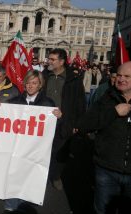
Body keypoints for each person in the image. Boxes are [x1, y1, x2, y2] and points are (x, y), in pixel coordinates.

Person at [76, 61, 131, 214]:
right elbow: (84, 124)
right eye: (119, 75)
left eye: (127, 76)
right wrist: (114, 113)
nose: (121, 79)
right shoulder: (106, 98)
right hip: (106, 169)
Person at [1, 70, 62, 214]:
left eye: (34, 83)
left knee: (29, 175)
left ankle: (23, 204)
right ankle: (10, 205)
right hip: (17, 147)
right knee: (14, 174)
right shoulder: (15, 101)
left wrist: (59, 118)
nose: (30, 86)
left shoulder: (48, 103)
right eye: (28, 82)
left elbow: (54, 129)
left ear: (40, 85)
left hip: (35, 149)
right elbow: (2, 118)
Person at [42, 48, 86, 190]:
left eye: (53, 59)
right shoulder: (44, 76)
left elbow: (80, 103)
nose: (49, 61)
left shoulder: (73, 79)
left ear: (61, 62)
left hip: (64, 121)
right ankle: (42, 175)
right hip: (44, 121)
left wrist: (77, 124)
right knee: (43, 149)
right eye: (49, 58)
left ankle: (55, 176)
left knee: (59, 151)